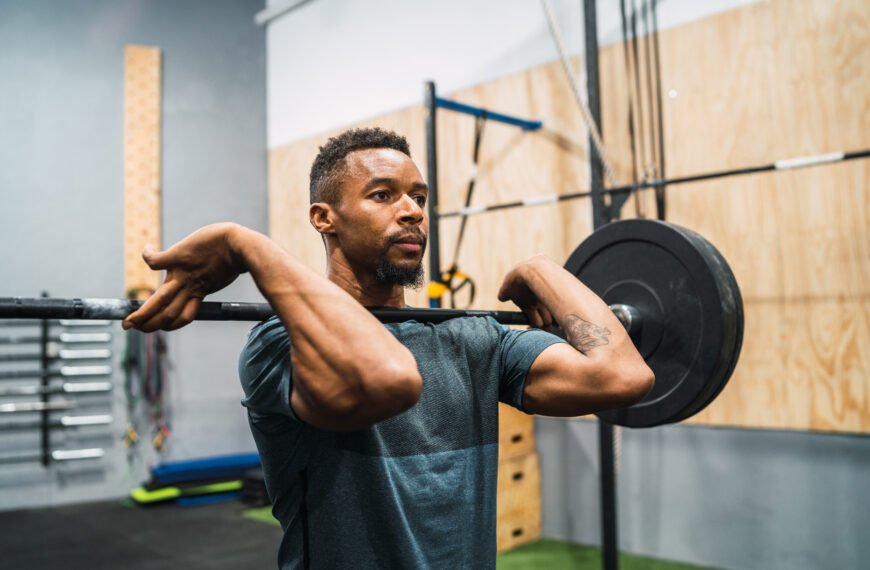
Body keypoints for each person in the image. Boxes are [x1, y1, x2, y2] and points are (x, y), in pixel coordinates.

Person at [122, 127, 654, 569]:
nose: (412, 212)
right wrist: (247, 245)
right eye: (383, 195)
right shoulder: (278, 346)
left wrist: (541, 269)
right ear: (323, 217)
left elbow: (622, 377)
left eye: (419, 198)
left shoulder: (472, 339)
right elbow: (386, 379)